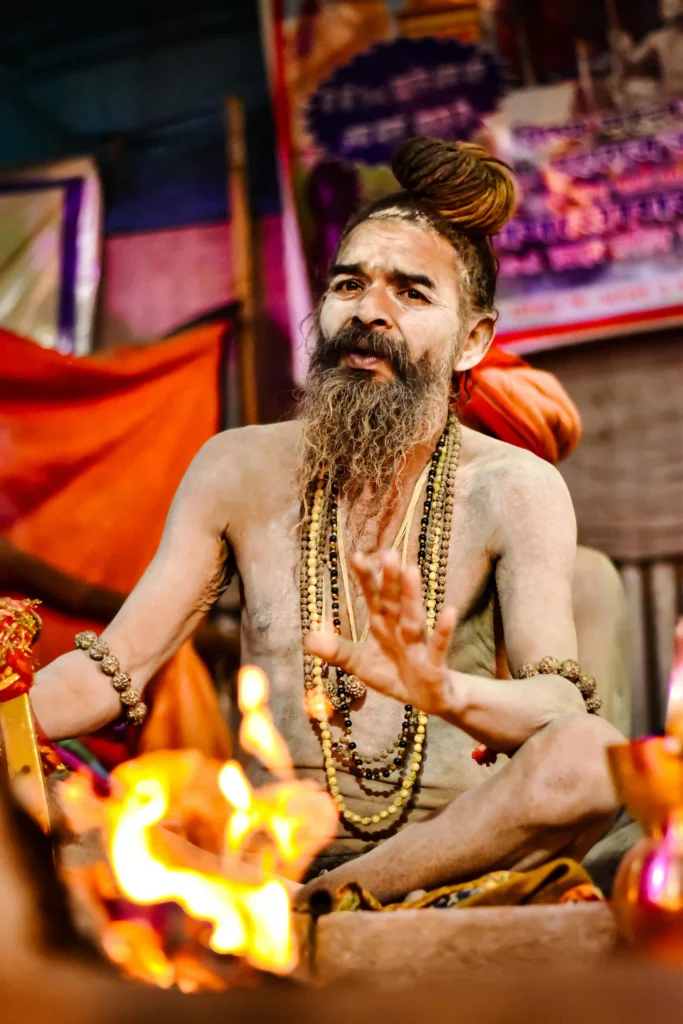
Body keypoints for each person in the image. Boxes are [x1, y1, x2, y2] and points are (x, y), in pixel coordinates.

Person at [30, 137, 623, 904]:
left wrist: (441, 691)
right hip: (259, 855)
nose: (368, 311)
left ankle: (328, 907)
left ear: (473, 339)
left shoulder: (515, 487)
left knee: (590, 755)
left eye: (411, 293)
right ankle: (300, 907)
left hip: (453, 860)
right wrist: (12, 713)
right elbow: (116, 668)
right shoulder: (236, 467)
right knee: (45, 805)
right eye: (350, 284)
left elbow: (558, 704)